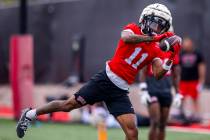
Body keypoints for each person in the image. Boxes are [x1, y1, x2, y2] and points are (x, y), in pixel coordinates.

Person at [16, 3, 181, 140]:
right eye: (155, 23)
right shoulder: (133, 29)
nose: (157, 28)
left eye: (160, 26)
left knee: (132, 133)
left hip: (120, 90)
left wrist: (171, 57)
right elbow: (126, 37)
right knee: (68, 105)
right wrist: (152, 38)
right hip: (105, 80)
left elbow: (159, 74)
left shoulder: (156, 49)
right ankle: (30, 114)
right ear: (145, 19)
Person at [139, 42, 183, 140]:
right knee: (155, 121)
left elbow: (176, 75)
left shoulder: (173, 52)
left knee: (163, 124)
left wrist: (178, 93)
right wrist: (143, 90)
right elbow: (143, 70)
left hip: (166, 90)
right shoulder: (153, 48)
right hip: (152, 89)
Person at [179, 37, 206, 122]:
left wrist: (201, 81)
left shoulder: (198, 54)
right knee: (181, 98)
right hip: (183, 81)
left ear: (191, 44)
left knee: (195, 99)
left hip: (194, 81)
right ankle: (181, 113)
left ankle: (196, 115)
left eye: (187, 43)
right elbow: (178, 68)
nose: (185, 45)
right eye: (184, 44)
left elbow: (202, 68)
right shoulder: (181, 54)